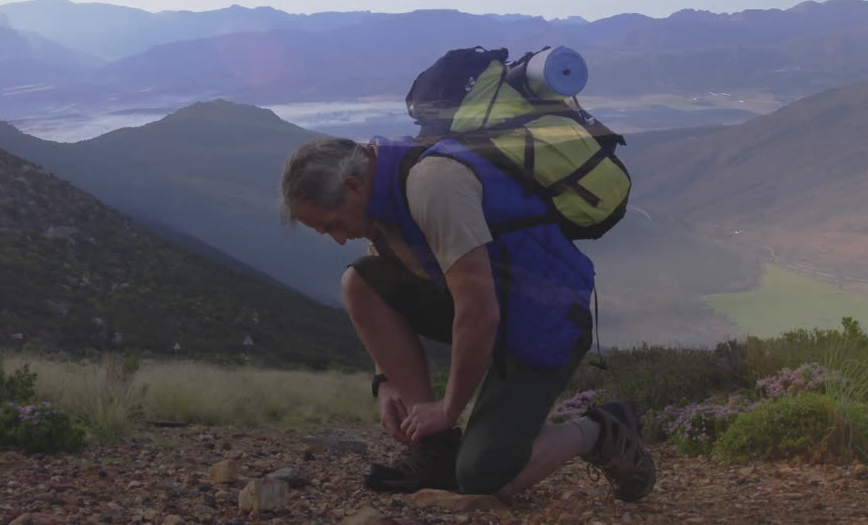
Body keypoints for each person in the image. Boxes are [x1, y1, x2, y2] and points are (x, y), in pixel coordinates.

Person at [279, 134, 655, 501]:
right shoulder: (380, 194)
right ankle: (435, 449)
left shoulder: (432, 186)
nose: (338, 238)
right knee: (359, 282)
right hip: (492, 308)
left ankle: (599, 429)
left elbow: (478, 312)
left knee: (485, 475)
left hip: (545, 322)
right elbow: (387, 285)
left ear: (352, 185)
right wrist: (385, 379)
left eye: (332, 224)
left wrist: (449, 409)